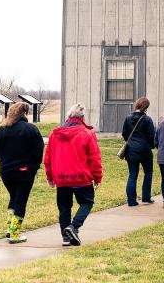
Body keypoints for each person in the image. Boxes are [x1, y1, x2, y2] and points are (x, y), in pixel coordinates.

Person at [44, 103, 102, 247]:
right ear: (83, 117)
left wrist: (50, 177)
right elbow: (94, 158)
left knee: (64, 207)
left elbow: (48, 159)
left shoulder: (55, 135)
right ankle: (73, 227)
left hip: (61, 178)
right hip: (81, 177)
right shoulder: (87, 134)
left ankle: (66, 237)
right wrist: (97, 177)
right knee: (87, 202)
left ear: (68, 116)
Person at [0, 102, 44, 244]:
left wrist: (5, 162)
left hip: (6, 171)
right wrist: (34, 166)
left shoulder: (1, 130)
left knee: (14, 198)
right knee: (21, 200)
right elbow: (38, 151)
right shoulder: (31, 129)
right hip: (25, 171)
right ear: (25, 114)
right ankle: (15, 234)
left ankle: (10, 230)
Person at [121, 97, 156, 206]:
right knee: (148, 173)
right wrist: (151, 145)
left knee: (132, 175)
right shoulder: (147, 120)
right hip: (145, 150)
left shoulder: (128, 118)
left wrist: (130, 142)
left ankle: (131, 201)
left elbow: (124, 134)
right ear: (146, 107)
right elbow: (152, 136)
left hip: (131, 150)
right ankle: (146, 197)